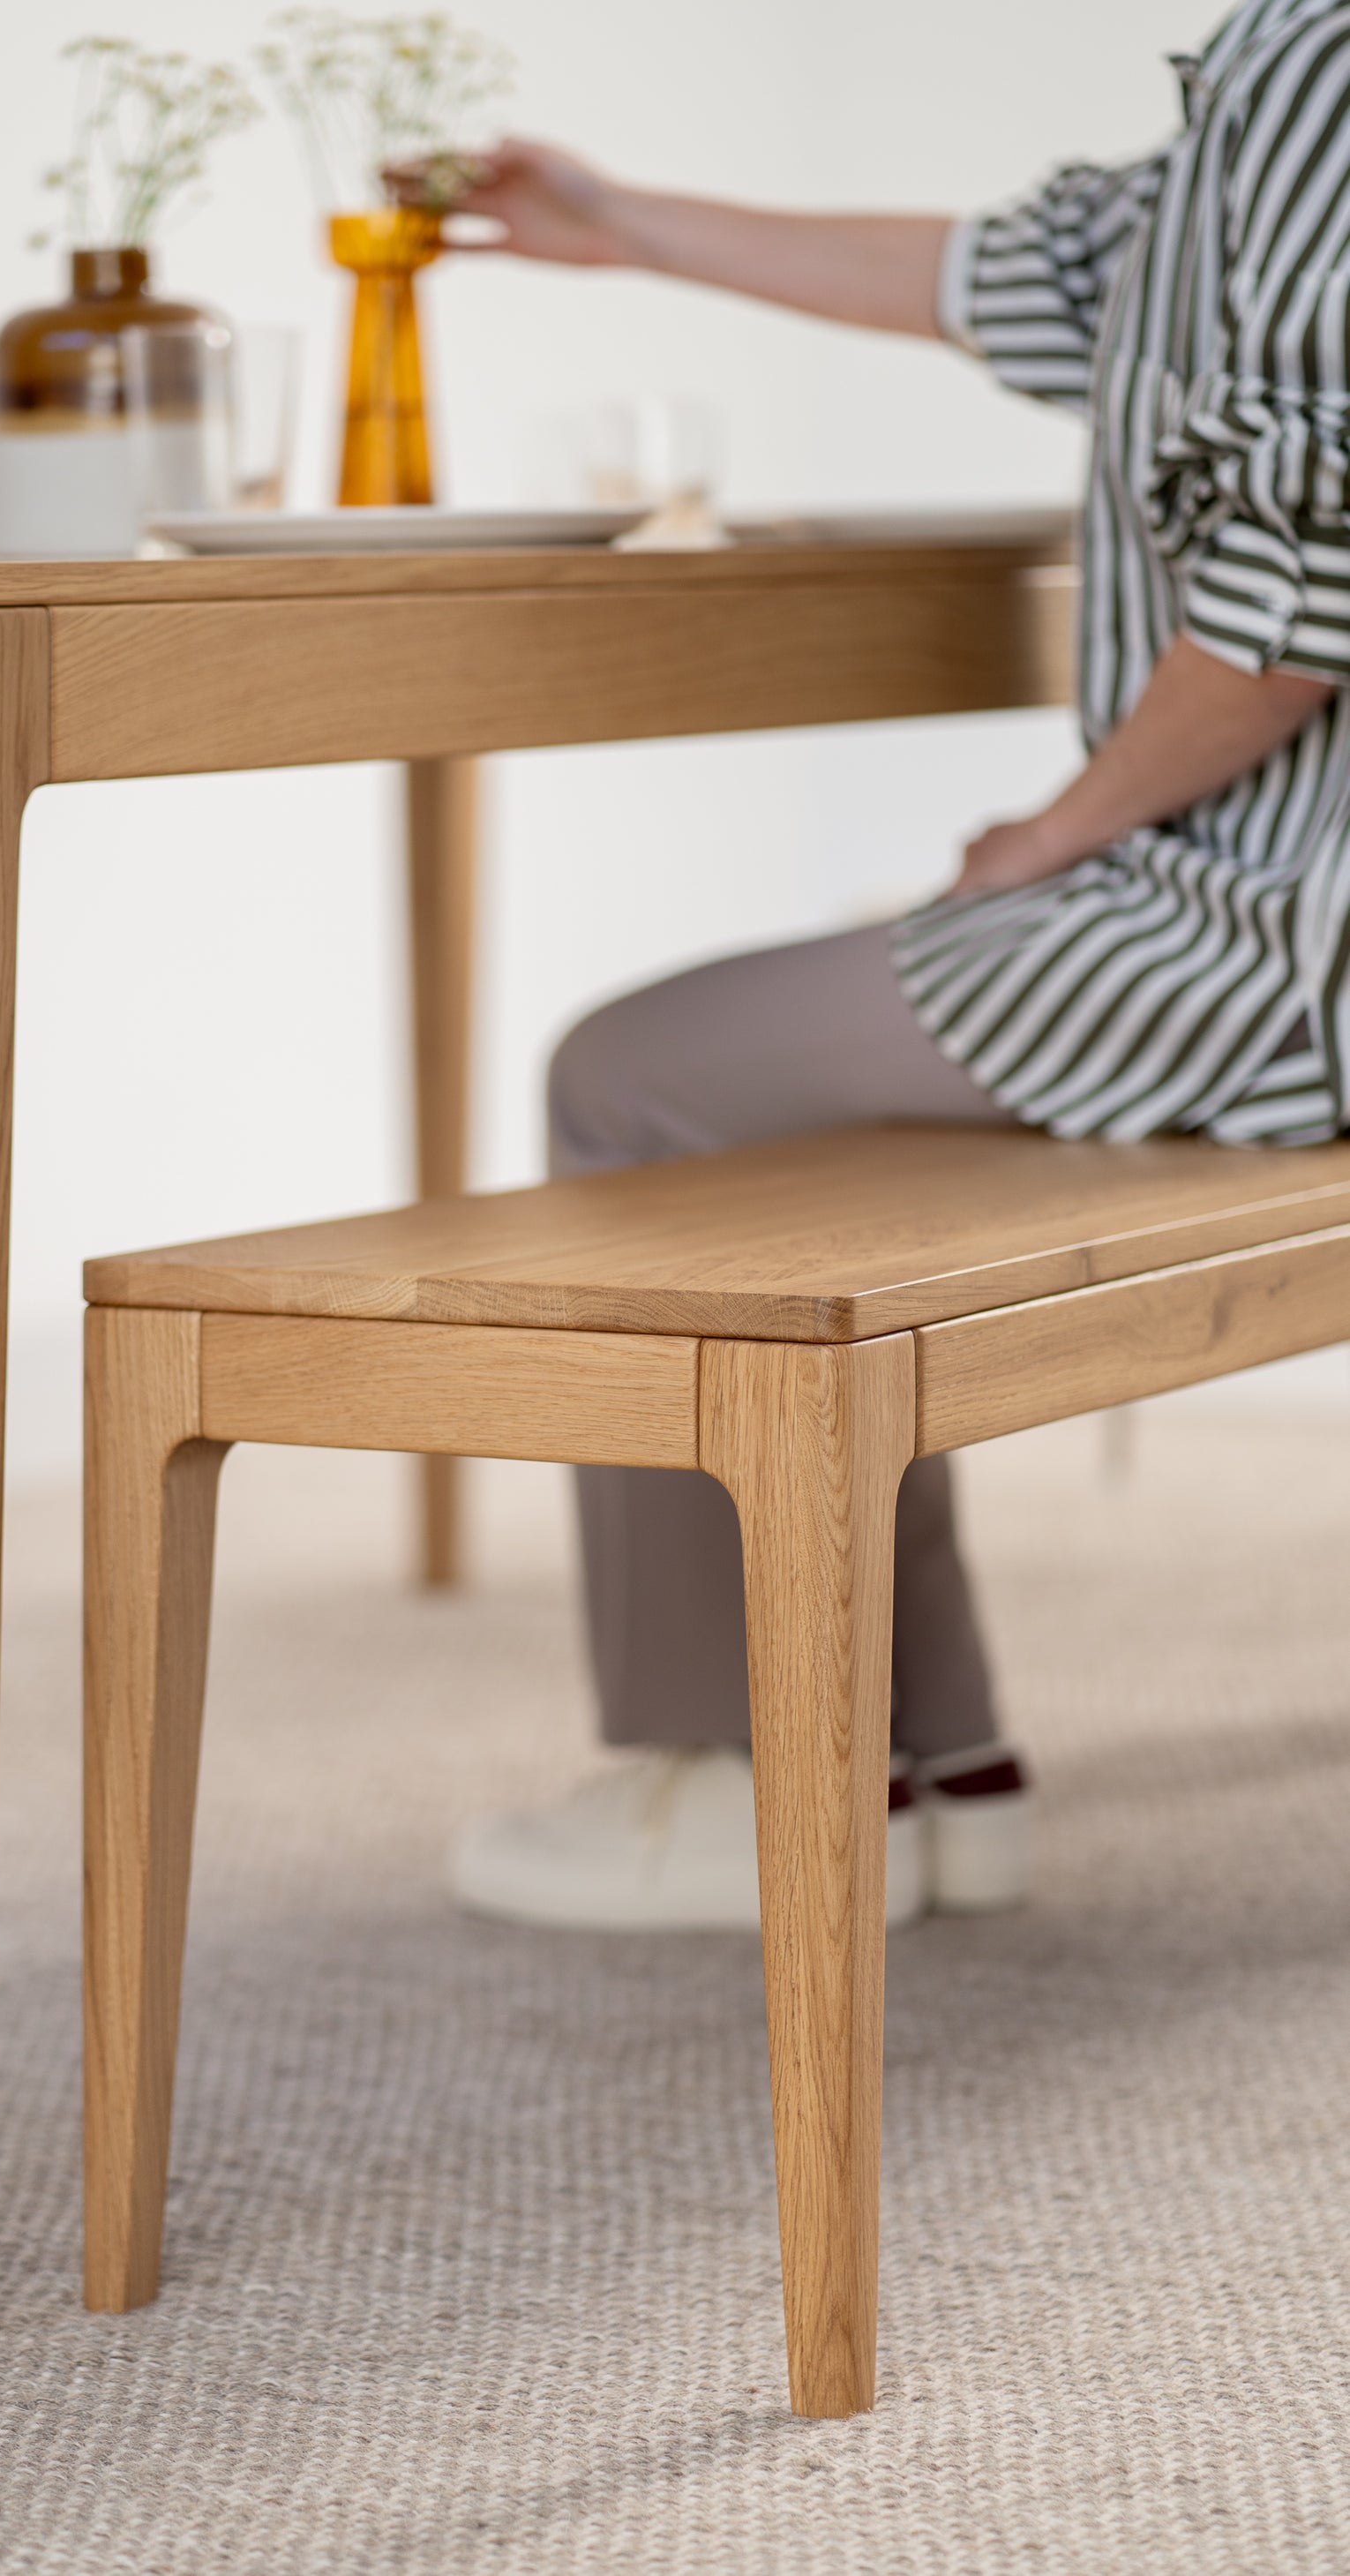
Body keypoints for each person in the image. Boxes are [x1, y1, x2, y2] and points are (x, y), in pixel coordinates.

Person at [397, 0, 1350, 1933]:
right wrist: (622, 217)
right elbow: (1010, 271)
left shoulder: (1311, 65)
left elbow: (1304, 577)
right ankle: (935, 1761)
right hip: (1273, 905)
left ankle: (732, 1779)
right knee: (783, 1105)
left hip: (1279, 930)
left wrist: (1056, 831)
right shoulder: (1264, 80)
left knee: (635, 1077)